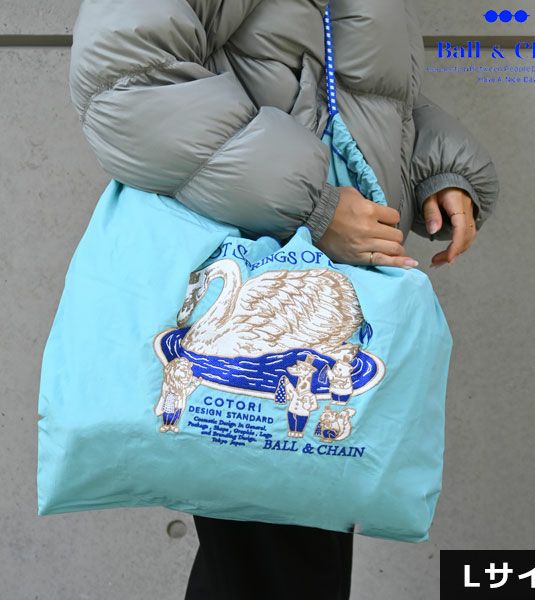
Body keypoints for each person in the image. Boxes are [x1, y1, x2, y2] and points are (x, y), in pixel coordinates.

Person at [68, 1, 500, 598]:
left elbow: (349, 87)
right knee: (281, 561)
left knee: (286, 556)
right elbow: (128, 80)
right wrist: (310, 204)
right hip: (263, 293)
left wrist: (436, 166)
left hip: (312, 294)